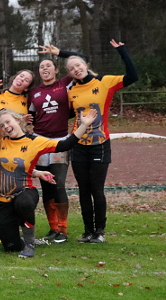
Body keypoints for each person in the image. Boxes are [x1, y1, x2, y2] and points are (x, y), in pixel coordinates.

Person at [0, 108, 97, 258]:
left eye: (8, 122)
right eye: (2, 125)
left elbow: (65, 145)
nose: (6, 127)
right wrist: (37, 172)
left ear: (18, 120)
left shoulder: (35, 141)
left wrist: (84, 125)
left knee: (24, 204)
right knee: (11, 247)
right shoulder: (1, 141)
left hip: (24, 191)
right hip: (1, 197)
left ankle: (30, 244)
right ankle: (20, 239)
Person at [66, 39, 138, 243]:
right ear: (70, 73)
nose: (76, 69)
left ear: (86, 65)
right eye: (72, 68)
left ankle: (99, 232)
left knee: (96, 189)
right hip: (78, 145)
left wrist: (123, 51)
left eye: (78, 65)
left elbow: (133, 76)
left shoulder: (104, 82)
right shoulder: (72, 91)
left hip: (100, 144)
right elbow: (69, 115)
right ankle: (87, 231)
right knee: (83, 190)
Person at [28, 45, 87, 243]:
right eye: (41, 67)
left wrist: (58, 53)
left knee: (59, 183)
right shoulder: (34, 92)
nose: (44, 69)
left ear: (55, 70)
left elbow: (81, 58)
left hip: (60, 141)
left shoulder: (65, 83)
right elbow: (32, 116)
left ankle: (63, 229)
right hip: (39, 141)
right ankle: (53, 228)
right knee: (46, 185)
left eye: (48, 66)